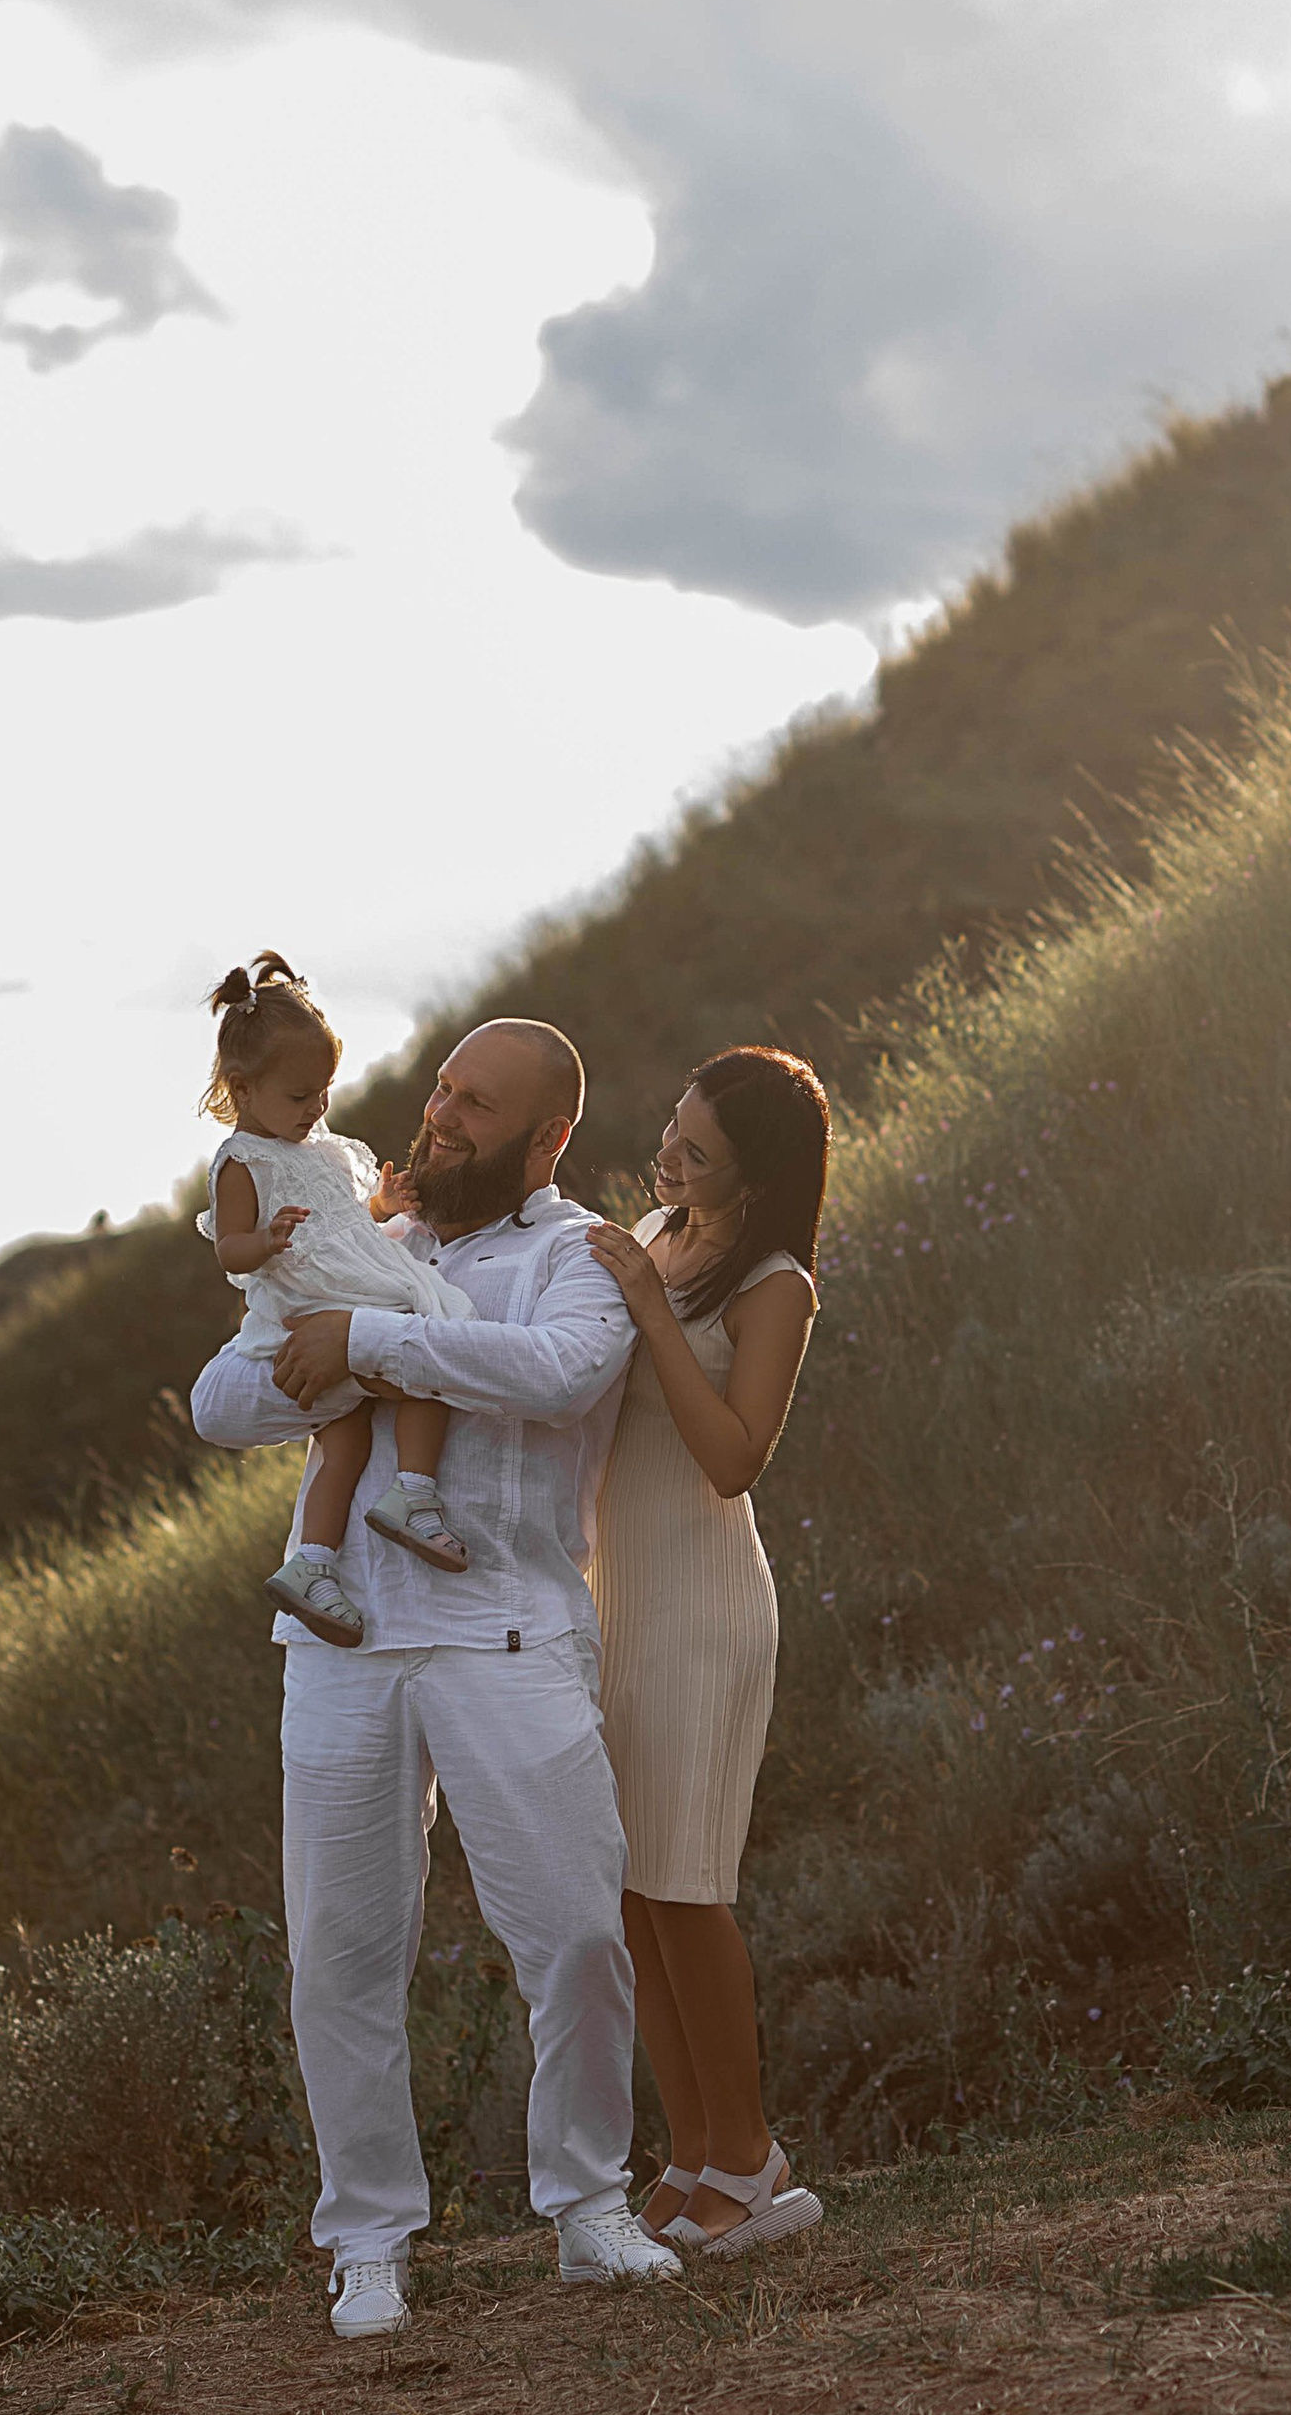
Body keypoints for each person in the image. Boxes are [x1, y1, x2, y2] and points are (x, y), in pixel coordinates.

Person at [188, 1014, 682, 2332]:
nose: (443, 1118)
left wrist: (367, 1346)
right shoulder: (357, 1241)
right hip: (341, 1645)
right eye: (444, 1091)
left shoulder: (581, 1257)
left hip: (508, 1630)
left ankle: (588, 2209)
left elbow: (562, 1377)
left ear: (548, 1136)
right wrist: (335, 1343)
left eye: (479, 1105)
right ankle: (368, 2243)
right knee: (342, 1958)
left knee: (575, 1934)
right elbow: (220, 1404)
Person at [582, 1047, 828, 2259]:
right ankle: (688, 2151)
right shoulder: (654, 1236)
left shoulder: (773, 1282)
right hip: (620, 1603)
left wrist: (640, 1303)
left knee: (689, 1888)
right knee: (633, 1897)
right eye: (669, 1133)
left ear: (756, 1177)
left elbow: (733, 1457)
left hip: (705, 1607)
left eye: (696, 1155)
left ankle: (752, 2159)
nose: (668, 1162)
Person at [196, 954, 476, 1646]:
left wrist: (379, 1204)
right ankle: (413, 1491)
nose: (316, 1108)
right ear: (243, 1088)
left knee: (344, 1438)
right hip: (305, 1300)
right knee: (422, 1358)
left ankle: (312, 1564)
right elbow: (227, 1249)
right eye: (298, 1097)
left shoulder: (317, 1149)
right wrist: (265, 1240)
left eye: (322, 1090)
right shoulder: (243, 1162)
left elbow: (346, 1219)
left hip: (339, 1284)